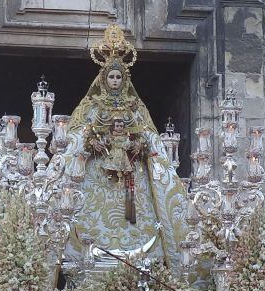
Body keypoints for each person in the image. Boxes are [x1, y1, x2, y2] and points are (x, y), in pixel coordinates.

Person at [54, 24, 188, 269]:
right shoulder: (91, 107)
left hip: (131, 174)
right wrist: (92, 142)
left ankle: (138, 259)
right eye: (111, 77)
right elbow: (76, 136)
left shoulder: (135, 108)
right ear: (104, 79)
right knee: (87, 213)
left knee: (133, 215)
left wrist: (138, 145)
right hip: (98, 172)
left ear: (124, 79)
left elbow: (148, 135)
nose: (114, 81)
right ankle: (87, 258)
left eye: (118, 77)